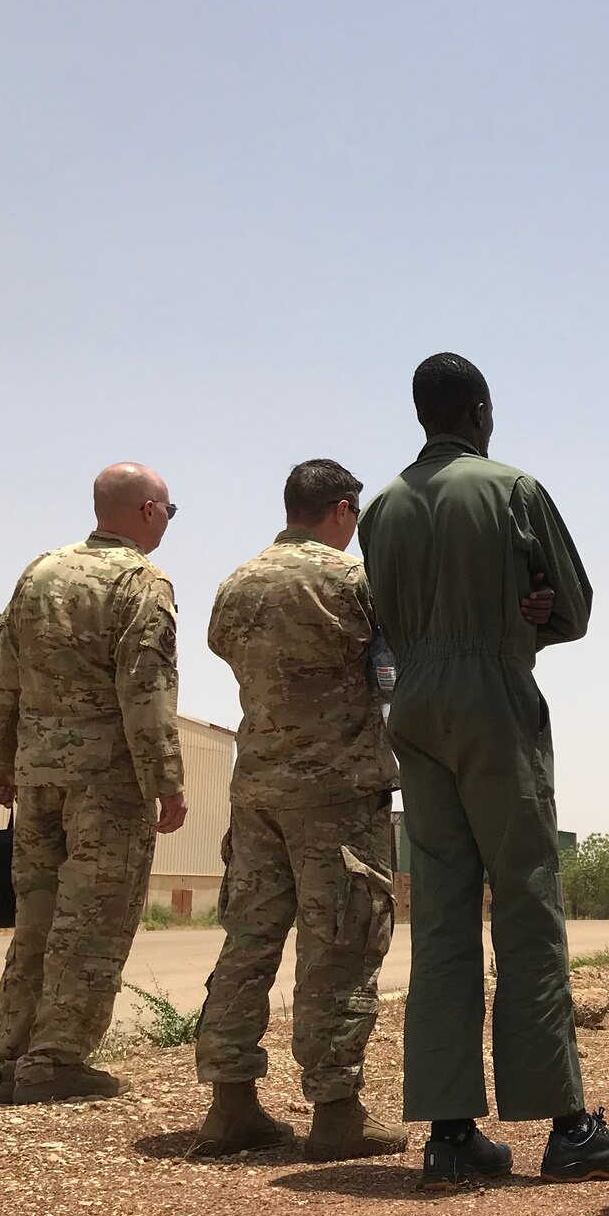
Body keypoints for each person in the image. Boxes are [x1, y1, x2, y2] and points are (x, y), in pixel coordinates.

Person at [358, 353, 609, 1189]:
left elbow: (383, 615)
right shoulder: (511, 488)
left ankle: (451, 1136)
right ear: (481, 412)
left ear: (423, 415)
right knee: (525, 900)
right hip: (490, 691)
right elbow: (575, 605)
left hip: (414, 705)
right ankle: (567, 1127)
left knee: (443, 913)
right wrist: (529, 613)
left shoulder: (379, 507)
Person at [190, 460, 408, 1160]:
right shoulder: (351, 581)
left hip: (256, 789)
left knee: (248, 939)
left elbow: (226, 652)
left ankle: (230, 1105)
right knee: (340, 944)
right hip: (337, 795)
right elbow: (396, 664)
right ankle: (337, 1110)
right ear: (343, 509)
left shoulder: (236, 583)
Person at [0, 463, 188, 1104]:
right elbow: (145, 691)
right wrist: (166, 780)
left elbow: (4, 672)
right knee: (94, 917)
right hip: (107, 783)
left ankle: (13, 1055)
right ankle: (57, 1059)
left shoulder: (39, 572)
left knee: (37, 917)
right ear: (149, 511)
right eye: (170, 512)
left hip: (38, 777)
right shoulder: (141, 583)